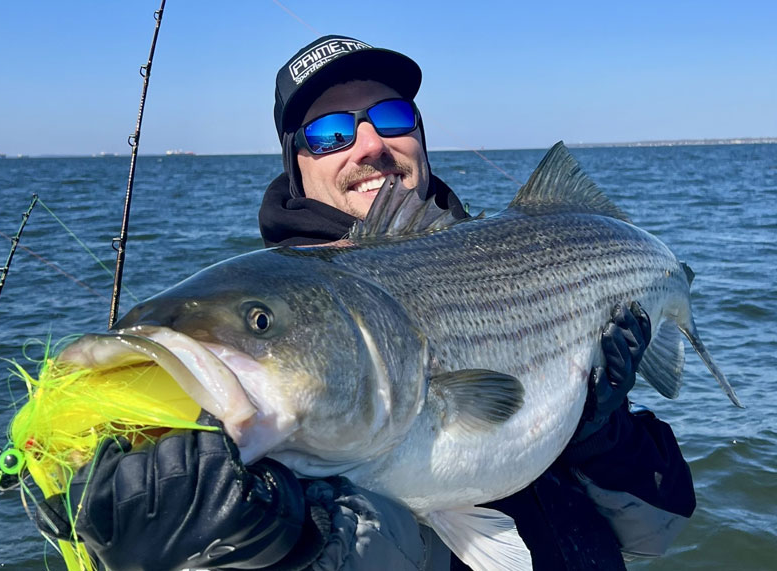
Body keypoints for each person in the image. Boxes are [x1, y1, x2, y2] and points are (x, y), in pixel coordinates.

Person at [35, 36, 695, 570]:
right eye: (328, 133)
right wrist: (249, 546)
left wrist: (603, 436)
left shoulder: (513, 257)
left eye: (393, 117)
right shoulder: (264, 405)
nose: (371, 144)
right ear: (296, 166)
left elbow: (658, 535)